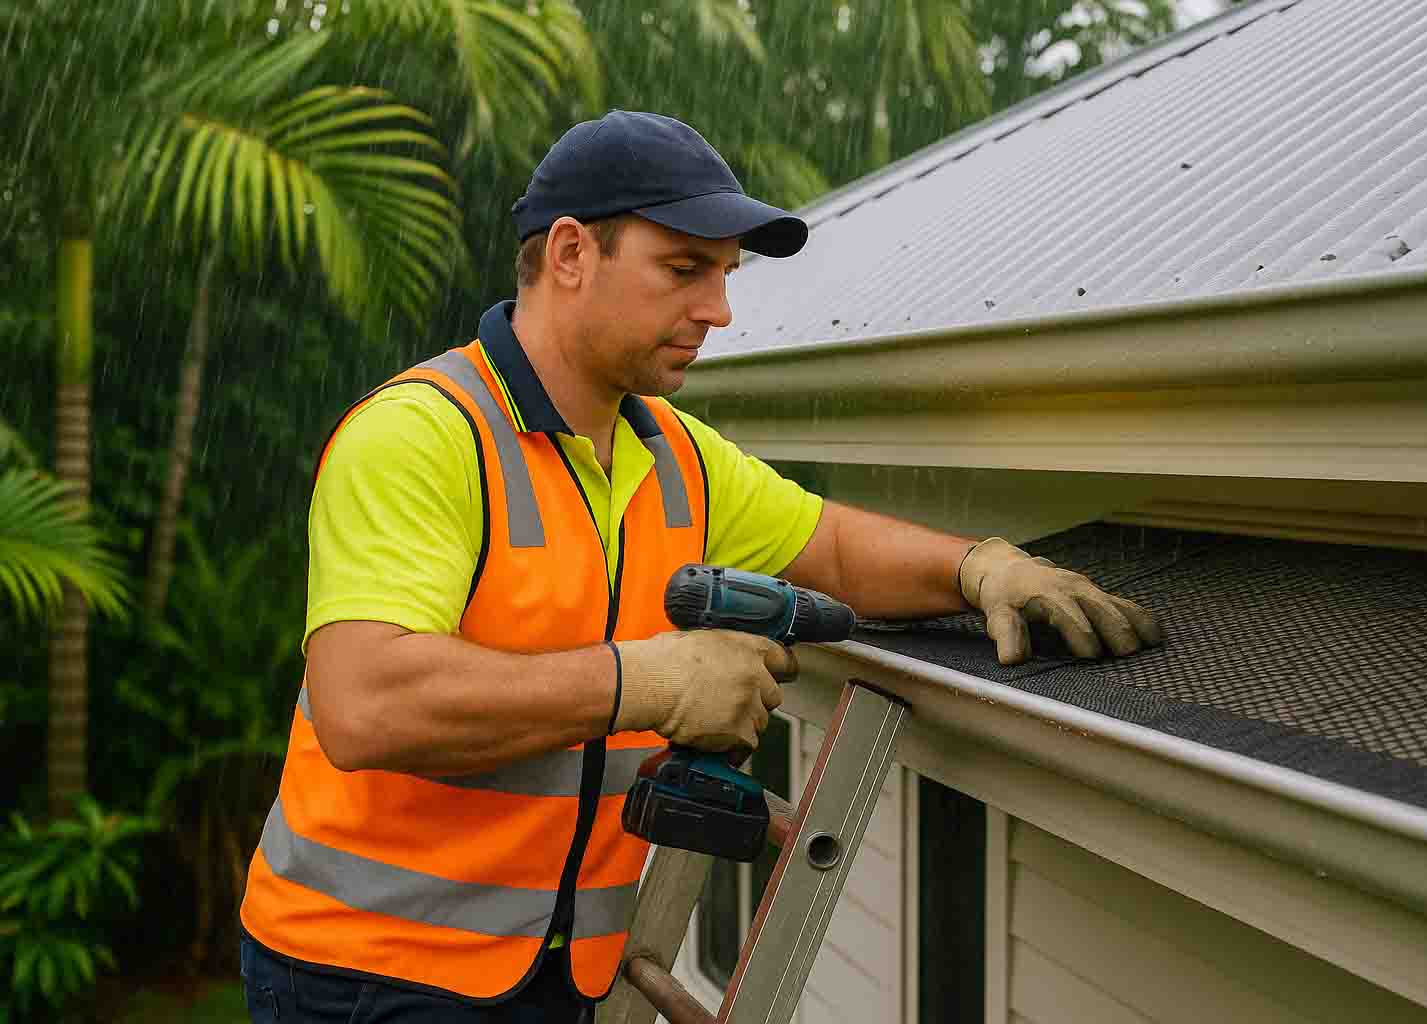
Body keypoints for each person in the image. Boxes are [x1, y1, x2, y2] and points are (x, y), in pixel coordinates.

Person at [237, 110, 1162, 1023]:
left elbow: (835, 548)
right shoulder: (422, 437)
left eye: (722, 276)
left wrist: (977, 568)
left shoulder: (671, 452)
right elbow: (367, 705)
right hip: (366, 974)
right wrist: (650, 682)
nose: (718, 310)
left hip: (560, 974)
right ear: (568, 255)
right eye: (684, 270)